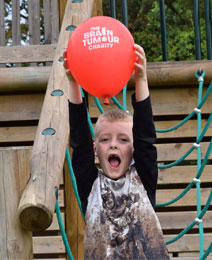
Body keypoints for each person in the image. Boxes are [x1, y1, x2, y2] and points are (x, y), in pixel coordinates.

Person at [64, 44, 169, 259]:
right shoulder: (90, 185)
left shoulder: (143, 178)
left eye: (123, 140)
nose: (113, 145)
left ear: (133, 148)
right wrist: (74, 83)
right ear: (96, 149)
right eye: (105, 139)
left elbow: (145, 138)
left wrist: (141, 79)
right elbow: (80, 143)